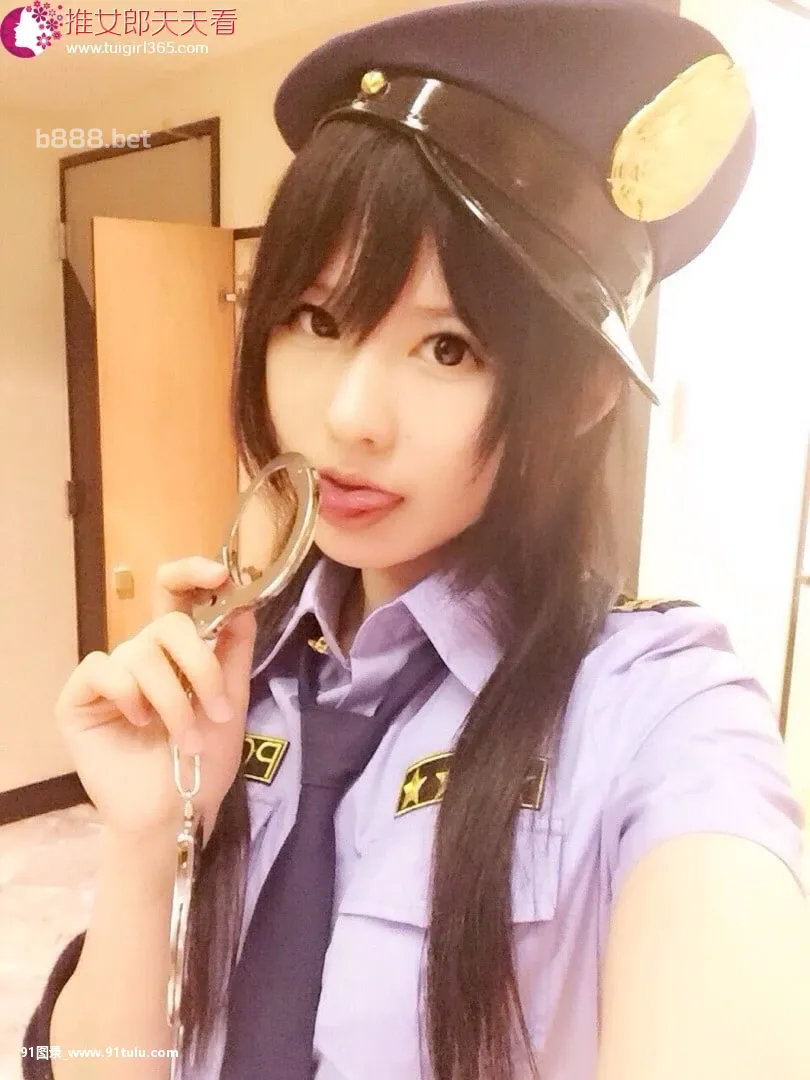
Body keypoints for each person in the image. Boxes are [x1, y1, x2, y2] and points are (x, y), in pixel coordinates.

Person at [21, 1, 810, 1078]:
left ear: (580, 395)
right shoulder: (231, 677)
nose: (350, 417)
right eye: (318, 320)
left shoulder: (655, 708)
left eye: (448, 348)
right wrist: (148, 835)